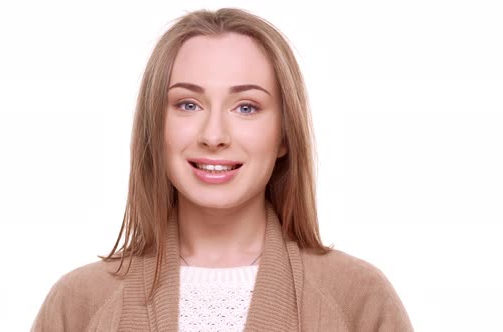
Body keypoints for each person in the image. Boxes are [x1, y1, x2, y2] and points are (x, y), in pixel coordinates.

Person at [31, 8, 413, 332]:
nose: (214, 135)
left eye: (246, 107)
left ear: (284, 135)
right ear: (154, 126)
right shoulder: (79, 303)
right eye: (187, 104)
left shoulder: (357, 300)